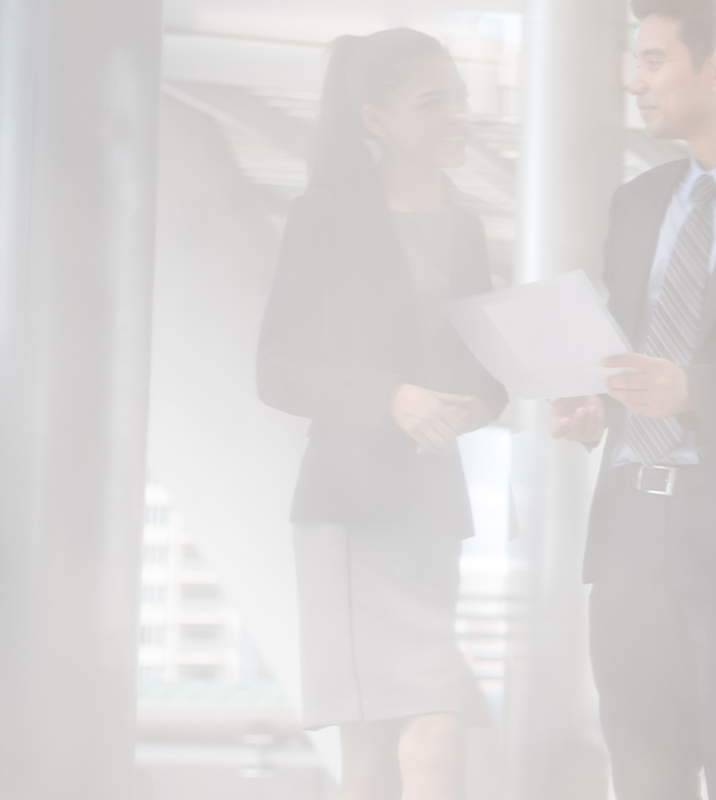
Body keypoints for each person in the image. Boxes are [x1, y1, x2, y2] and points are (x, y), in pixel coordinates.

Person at [546, 1, 716, 797]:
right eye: (635, 63)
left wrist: (688, 387)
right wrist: (597, 400)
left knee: (710, 744)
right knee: (633, 747)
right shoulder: (637, 200)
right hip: (627, 513)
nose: (636, 81)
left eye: (655, 61)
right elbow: (618, 337)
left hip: (713, 518)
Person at [256, 28, 502, 800]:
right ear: (376, 120)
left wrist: (491, 393)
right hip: (352, 508)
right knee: (411, 733)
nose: (458, 113)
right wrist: (391, 396)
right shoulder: (324, 216)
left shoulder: (466, 228)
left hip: (428, 506)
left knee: (401, 739)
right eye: (435, 101)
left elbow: (483, 376)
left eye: (459, 96)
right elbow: (278, 370)